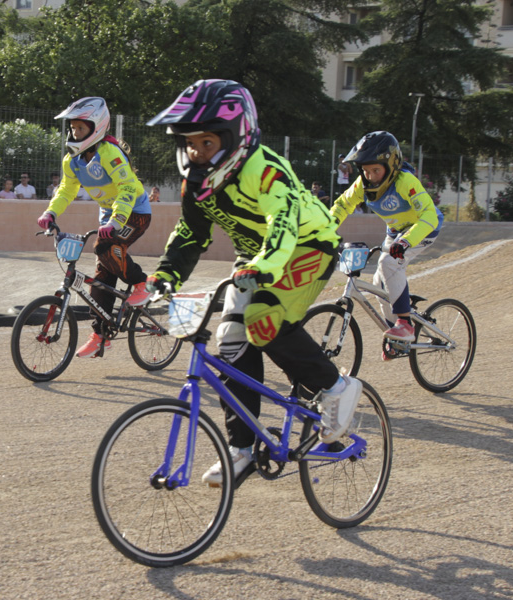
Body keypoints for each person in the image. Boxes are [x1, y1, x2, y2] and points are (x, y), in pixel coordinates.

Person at [144, 79, 361, 486]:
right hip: (255, 259)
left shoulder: (265, 170)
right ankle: (242, 449)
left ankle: (336, 386)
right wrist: (165, 274)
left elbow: (283, 224)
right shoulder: (198, 183)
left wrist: (265, 266)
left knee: (263, 319)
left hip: (307, 245)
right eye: (190, 144)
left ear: (236, 136)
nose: (196, 153)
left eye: (207, 143)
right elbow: (191, 233)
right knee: (229, 340)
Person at [37, 96, 153, 358]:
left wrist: (116, 221)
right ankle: (101, 335)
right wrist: (50, 212)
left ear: (96, 127)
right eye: (73, 128)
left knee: (106, 246)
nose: (75, 133)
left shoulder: (110, 153)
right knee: (102, 275)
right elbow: (66, 190)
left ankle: (142, 283)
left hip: (135, 212)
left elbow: (128, 189)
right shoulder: (72, 161)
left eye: (81, 128)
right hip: (110, 214)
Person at [330, 131, 442, 355]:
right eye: (365, 170)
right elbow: (342, 206)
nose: (370, 176)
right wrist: (322, 231)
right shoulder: (362, 184)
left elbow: (429, 216)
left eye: (376, 170)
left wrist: (407, 242)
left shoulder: (405, 182)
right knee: (379, 283)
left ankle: (405, 323)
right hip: (394, 232)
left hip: (422, 229)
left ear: (391, 166)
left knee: (390, 263)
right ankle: (397, 339)